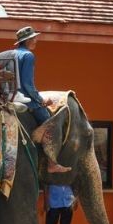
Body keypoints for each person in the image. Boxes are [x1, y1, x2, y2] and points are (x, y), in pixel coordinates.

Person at [14, 26, 71, 173]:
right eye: (33, 38)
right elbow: (28, 84)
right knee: (49, 121)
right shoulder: (28, 56)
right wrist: (40, 101)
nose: (35, 40)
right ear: (27, 41)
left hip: (11, 95)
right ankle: (52, 163)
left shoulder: (12, 54)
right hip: (26, 99)